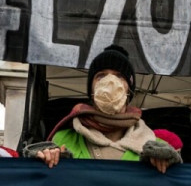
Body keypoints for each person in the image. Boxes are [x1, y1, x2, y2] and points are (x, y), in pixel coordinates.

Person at [39, 45, 179, 173]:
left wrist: (171, 164)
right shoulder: (63, 139)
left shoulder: (156, 148)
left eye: (119, 76)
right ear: (91, 90)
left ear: (129, 90)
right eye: (101, 76)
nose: (110, 81)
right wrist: (46, 160)